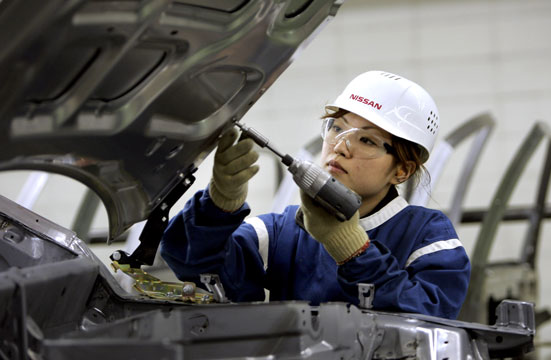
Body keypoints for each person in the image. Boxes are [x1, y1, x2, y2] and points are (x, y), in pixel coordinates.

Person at [160, 70, 470, 319]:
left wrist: (352, 250)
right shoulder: (285, 230)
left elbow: (432, 317)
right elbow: (195, 266)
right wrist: (219, 205)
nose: (341, 146)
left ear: (402, 170)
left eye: (367, 140)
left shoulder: (427, 234)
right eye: (337, 128)